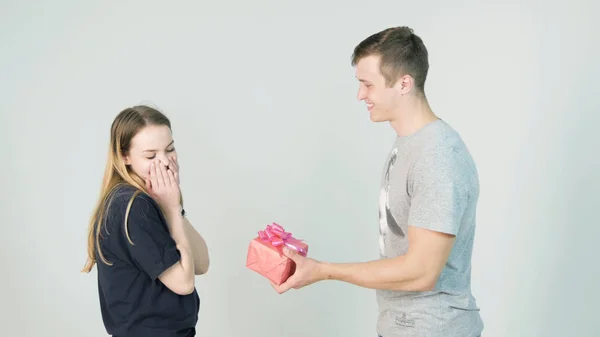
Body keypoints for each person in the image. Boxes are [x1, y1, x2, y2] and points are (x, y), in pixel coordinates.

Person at [270, 26, 484, 337]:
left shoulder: (438, 157)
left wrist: (324, 270)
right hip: (401, 326)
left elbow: (421, 272)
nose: (360, 94)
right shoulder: (409, 144)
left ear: (403, 84)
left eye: (367, 84)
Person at [81, 105, 210, 337]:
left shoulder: (146, 200)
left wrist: (175, 207)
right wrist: (170, 209)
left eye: (170, 150)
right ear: (125, 156)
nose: (165, 162)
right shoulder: (133, 206)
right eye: (151, 155)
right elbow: (184, 283)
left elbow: (201, 263)